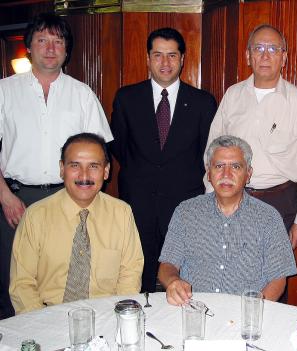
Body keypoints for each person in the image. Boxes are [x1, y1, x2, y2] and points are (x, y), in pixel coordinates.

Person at [0, 13, 113, 319]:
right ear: (29, 47)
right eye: (42, 40)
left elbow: (100, 151)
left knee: (63, 278)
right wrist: (5, 197)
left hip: (71, 198)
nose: (50, 48)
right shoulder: (4, 91)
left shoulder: (82, 94)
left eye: (58, 41)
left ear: (66, 49)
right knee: (16, 284)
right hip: (16, 199)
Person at [110, 27, 217, 293]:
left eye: (172, 55)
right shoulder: (126, 98)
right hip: (138, 203)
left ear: (182, 59)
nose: (165, 63)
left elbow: (207, 154)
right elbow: (119, 147)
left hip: (185, 207)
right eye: (158, 55)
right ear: (148, 58)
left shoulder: (203, 102)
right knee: (138, 276)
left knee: (184, 276)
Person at [205, 24, 297, 250]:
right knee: (229, 273)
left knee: (272, 279)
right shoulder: (233, 95)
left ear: (284, 57)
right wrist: (212, 199)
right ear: (248, 56)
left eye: (273, 49)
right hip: (232, 198)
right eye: (258, 48)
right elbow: (212, 152)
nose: (265, 55)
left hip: (280, 203)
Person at [9, 133, 143, 314]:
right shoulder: (36, 216)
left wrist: (115, 318)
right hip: (47, 316)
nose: (84, 175)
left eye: (94, 166)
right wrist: (41, 322)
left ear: (106, 171)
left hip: (105, 316)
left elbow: (130, 275)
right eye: (75, 165)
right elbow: (22, 284)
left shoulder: (122, 214)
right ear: (62, 169)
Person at [158, 135, 297, 305]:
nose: (226, 174)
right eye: (219, 166)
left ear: (248, 174)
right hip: (193, 311)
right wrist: (173, 281)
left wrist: (251, 312)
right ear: (209, 173)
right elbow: (167, 265)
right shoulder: (185, 212)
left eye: (236, 166)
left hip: (244, 316)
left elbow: (278, 280)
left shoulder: (268, 218)